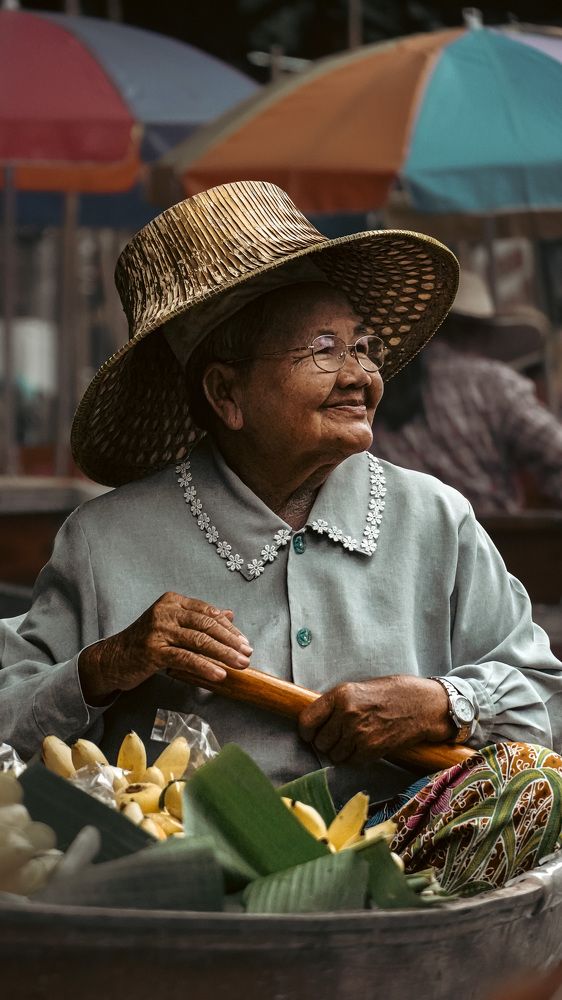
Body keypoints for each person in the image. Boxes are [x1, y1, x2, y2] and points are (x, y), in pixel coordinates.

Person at [0, 180, 561, 895]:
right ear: (227, 395)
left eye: (364, 346)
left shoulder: (434, 518)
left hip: (406, 880)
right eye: (324, 350)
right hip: (181, 881)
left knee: (535, 781)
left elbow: (548, 698)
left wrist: (443, 703)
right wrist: (106, 665)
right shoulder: (103, 539)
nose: (361, 375)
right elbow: (6, 716)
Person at [372, 270, 562, 514]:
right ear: (474, 330)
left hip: (404, 541)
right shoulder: (492, 384)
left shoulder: (377, 386)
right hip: (492, 541)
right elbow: (556, 452)